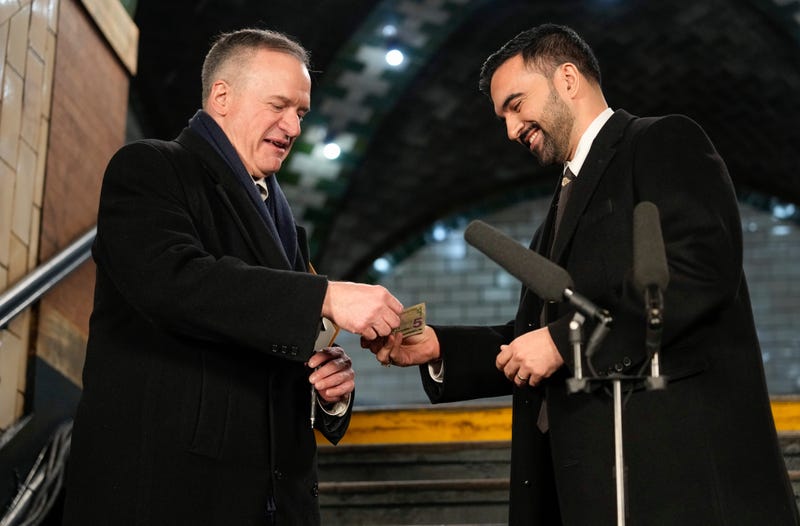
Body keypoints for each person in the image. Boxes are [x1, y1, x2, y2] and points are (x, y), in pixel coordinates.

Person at [364, 23, 799, 525]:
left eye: (516, 104)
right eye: (503, 115)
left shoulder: (662, 142)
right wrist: (439, 348)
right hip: (587, 494)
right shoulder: (560, 205)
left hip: (677, 485)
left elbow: (695, 274)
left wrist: (565, 342)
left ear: (567, 78)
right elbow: (538, 338)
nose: (510, 129)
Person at [62, 28, 403, 526]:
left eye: (301, 112)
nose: (293, 126)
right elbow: (174, 282)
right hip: (171, 493)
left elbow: (260, 346)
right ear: (221, 96)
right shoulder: (151, 168)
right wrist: (324, 296)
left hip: (270, 499)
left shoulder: (285, 222)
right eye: (279, 105)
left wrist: (325, 393)